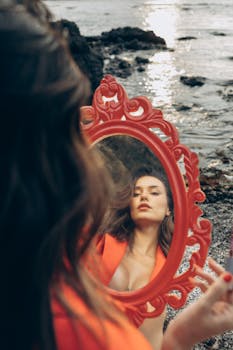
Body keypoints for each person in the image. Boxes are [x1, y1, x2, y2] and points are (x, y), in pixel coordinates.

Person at [0, 1, 233, 350]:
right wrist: (180, 338)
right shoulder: (90, 247)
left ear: (172, 208)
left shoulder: (56, 255)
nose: (143, 196)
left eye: (154, 192)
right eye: (69, 123)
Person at [94, 165, 173, 349]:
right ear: (129, 205)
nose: (143, 197)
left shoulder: (168, 270)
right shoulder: (102, 243)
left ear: (168, 209)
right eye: (136, 194)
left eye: (154, 193)